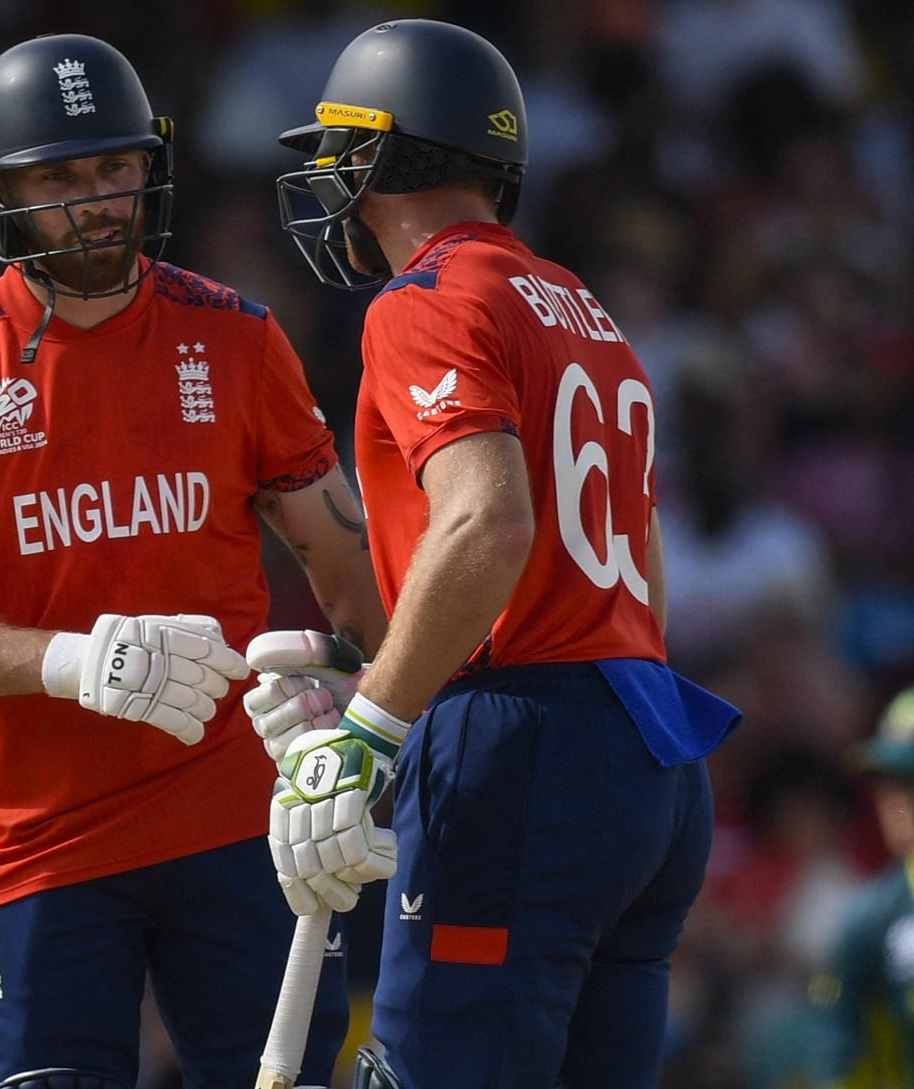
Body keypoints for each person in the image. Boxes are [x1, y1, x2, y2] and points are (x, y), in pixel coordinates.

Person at [0, 32, 386, 1089]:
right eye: (57, 179)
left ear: (152, 166)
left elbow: (350, 566)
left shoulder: (237, 338)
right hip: (35, 843)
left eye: (114, 168)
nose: (95, 200)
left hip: (237, 818)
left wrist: (366, 722)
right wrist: (73, 663)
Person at [243, 19, 742, 1089]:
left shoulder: (425, 296)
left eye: (340, 152)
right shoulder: (587, 310)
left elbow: (489, 524)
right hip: (650, 746)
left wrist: (372, 727)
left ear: (380, 153)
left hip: (527, 747)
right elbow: (632, 561)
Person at [807, 687, 914, 1087]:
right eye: (886, 784)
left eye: (910, 782)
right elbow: (839, 1056)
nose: (895, 803)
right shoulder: (871, 920)